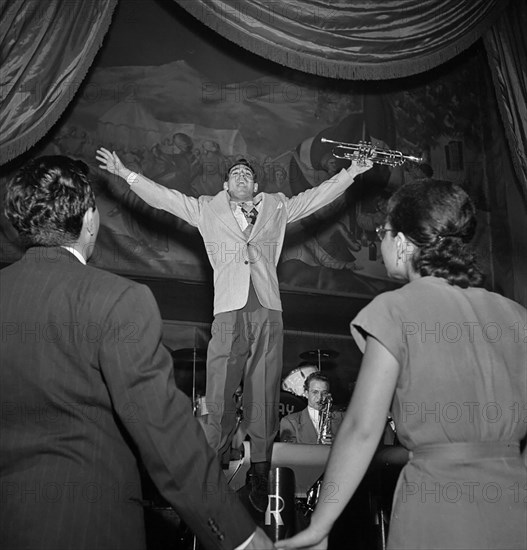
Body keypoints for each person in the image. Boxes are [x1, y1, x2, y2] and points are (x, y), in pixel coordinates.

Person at [0, 156, 273, 550]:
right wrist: (242, 537)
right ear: (90, 219)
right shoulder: (118, 301)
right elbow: (165, 438)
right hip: (90, 528)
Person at [96, 147, 373, 512]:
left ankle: (260, 468)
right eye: (235, 174)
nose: (242, 177)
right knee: (220, 389)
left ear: (255, 184)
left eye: (248, 173)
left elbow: (315, 197)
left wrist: (351, 172)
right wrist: (126, 173)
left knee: (264, 387)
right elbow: (164, 199)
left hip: (268, 308)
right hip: (228, 309)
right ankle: (210, 467)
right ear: (226, 184)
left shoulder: (276, 206)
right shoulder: (207, 208)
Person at [276, 179, 527, 550]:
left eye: (384, 231)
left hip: (436, 504)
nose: (380, 241)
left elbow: (362, 428)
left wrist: (319, 524)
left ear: (404, 242)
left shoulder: (395, 310)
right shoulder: (515, 314)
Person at [280, 372, 344, 445]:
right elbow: (289, 454)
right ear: (306, 393)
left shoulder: (342, 418)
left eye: (324, 393)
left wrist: (337, 443)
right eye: (315, 392)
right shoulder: (290, 422)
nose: (320, 397)